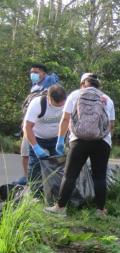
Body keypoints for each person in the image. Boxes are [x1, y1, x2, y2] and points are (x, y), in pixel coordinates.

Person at [45, 73, 115, 216]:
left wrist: (60, 140)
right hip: (102, 142)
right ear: (98, 85)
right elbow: (111, 124)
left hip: (78, 140)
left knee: (70, 175)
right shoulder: (108, 99)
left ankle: (60, 208)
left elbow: (65, 119)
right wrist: (105, 139)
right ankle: (100, 210)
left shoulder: (75, 95)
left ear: (83, 84)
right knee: (100, 177)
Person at [19, 63, 60, 184]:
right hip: (30, 125)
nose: (33, 74)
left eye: (36, 72)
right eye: (32, 72)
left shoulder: (50, 85)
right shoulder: (35, 86)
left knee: (51, 157)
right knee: (26, 153)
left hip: (41, 128)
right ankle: (28, 178)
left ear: (44, 73)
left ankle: (48, 182)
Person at [23, 84, 67, 186]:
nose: (59, 106)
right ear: (49, 98)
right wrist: (36, 147)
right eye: (56, 104)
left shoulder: (67, 103)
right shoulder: (38, 104)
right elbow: (27, 127)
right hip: (37, 138)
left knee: (58, 165)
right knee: (35, 166)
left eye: (62, 104)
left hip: (56, 139)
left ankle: (55, 190)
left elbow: (68, 121)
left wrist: (61, 140)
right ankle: (36, 194)